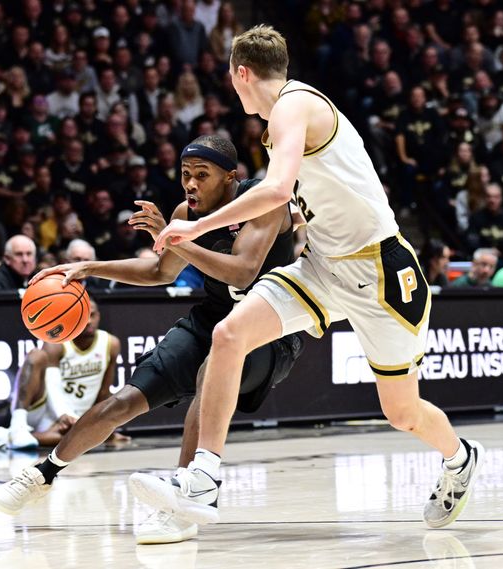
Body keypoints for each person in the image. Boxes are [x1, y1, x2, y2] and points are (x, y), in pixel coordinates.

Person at [139, 25, 484, 530]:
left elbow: (277, 188)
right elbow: (301, 190)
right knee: (229, 334)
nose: (234, 93)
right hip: (324, 263)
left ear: (242, 72)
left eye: (233, 83)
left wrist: (197, 224)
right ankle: (204, 478)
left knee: (401, 412)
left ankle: (460, 457)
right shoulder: (289, 115)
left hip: (380, 271)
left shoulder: (291, 107)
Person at [0, 135, 303, 545]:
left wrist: (180, 239)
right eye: (185, 175)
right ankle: (41, 474)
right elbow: (160, 271)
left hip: (268, 331)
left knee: (209, 379)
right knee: (123, 401)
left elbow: (242, 272)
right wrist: (91, 267)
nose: (190, 184)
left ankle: (184, 502)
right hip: (210, 320)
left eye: (202, 176)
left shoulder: (265, 200)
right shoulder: (183, 213)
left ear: (230, 178)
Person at [0, 299, 123, 450]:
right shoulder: (57, 341)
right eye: (82, 316)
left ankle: (3, 437)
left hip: (76, 418)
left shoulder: (111, 343)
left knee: (83, 439)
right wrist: (63, 414)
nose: (88, 321)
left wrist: (108, 427)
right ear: (71, 317)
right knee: (36, 355)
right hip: (45, 410)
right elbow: (52, 384)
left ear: (99, 316)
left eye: (92, 315)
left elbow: (103, 393)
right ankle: (18, 426)